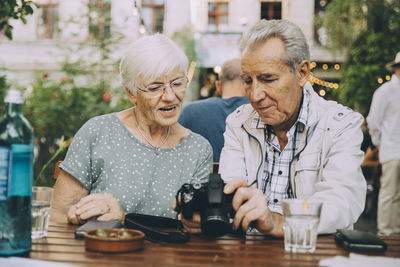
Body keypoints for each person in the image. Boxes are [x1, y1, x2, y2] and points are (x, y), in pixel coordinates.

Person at [178, 19, 367, 236]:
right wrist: (208, 211)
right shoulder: (237, 122)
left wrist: (278, 222)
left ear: (302, 73)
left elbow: (342, 204)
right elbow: (231, 190)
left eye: (268, 79)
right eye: (248, 81)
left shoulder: (340, 124)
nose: (255, 95)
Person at [51, 34, 213, 224]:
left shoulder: (198, 150)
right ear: (131, 93)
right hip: (101, 250)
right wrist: (79, 215)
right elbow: (58, 215)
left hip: (168, 254)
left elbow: (193, 230)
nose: (170, 96)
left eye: (177, 83)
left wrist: (125, 220)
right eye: (155, 87)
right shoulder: (98, 132)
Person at [178, 58, 249, 162]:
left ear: (218, 86)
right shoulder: (259, 112)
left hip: (201, 177)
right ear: (249, 84)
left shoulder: (190, 111)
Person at [366, 51, 400, 235]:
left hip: (392, 148)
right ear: (396, 69)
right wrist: (380, 144)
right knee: (389, 192)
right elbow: (373, 121)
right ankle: (386, 232)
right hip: (392, 149)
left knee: (396, 194)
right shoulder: (385, 91)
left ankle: (395, 232)